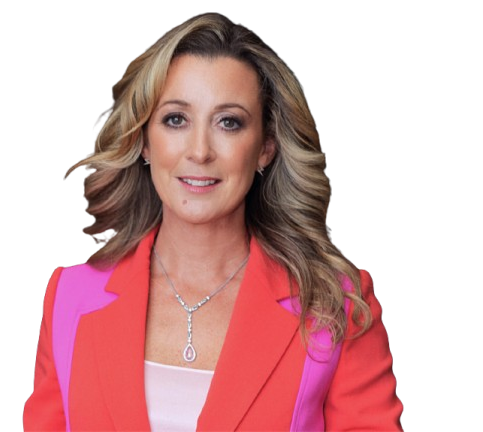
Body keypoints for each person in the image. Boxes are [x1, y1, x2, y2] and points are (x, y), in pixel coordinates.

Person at [23, 12, 403, 431]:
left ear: (265, 147)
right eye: (176, 119)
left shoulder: (335, 304)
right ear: (144, 140)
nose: (200, 151)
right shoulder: (70, 297)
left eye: (228, 122)